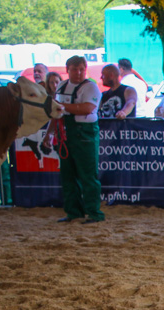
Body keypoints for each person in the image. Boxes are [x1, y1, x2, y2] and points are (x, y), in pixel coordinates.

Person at [55, 55, 105, 224]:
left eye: (81, 69)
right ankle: (73, 212)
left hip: (85, 135)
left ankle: (94, 213)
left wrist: (62, 107)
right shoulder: (61, 86)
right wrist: (49, 134)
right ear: (67, 69)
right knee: (68, 175)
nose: (78, 73)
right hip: (65, 134)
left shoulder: (91, 87)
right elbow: (55, 112)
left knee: (88, 176)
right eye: (74, 69)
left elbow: (87, 108)